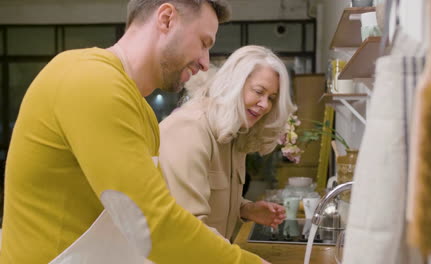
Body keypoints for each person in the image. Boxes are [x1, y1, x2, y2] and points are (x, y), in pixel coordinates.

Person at [0, 1, 270, 263]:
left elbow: (144, 221)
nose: (204, 62)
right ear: (166, 18)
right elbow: (153, 225)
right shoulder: (90, 80)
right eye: (203, 42)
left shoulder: (141, 111)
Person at [159, 45, 297, 241]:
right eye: (259, 91)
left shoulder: (235, 132)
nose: (265, 104)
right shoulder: (190, 129)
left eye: (271, 98)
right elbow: (189, 228)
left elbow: (208, 198)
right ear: (233, 84)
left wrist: (246, 209)